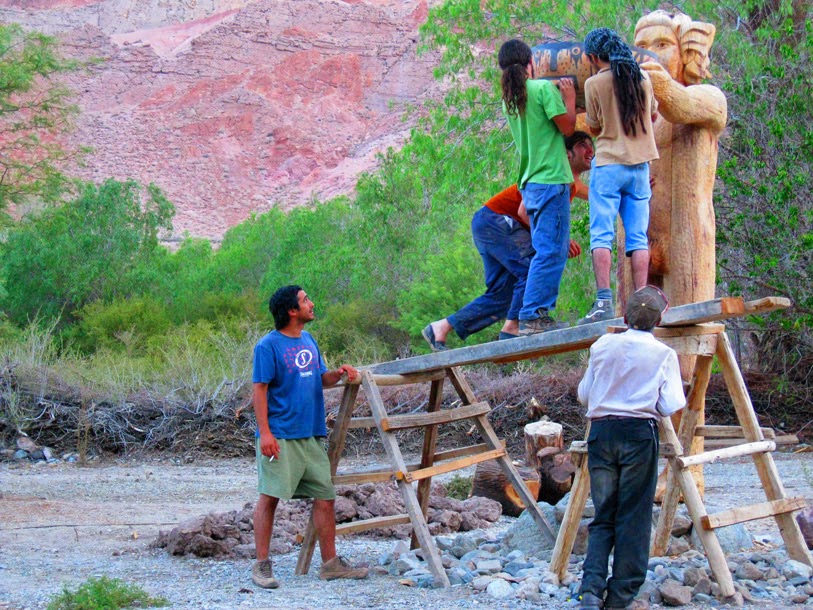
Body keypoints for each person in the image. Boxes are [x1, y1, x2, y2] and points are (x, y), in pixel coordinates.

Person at [422, 132, 594, 350]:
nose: (590, 150)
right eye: (582, 145)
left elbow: (597, 194)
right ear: (567, 153)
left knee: (504, 294)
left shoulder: (571, 184)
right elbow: (524, 212)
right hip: (496, 220)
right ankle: (513, 327)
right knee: (533, 268)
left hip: (490, 225)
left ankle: (441, 327)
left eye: (591, 146)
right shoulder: (552, 175)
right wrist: (558, 238)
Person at [251, 285, 368, 588]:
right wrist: (265, 433)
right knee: (269, 497)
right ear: (292, 310)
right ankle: (261, 565)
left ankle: (330, 564)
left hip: (311, 434)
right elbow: (259, 390)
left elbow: (319, 378)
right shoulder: (268, 346)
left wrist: (338, 375)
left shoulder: (309, 340)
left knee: (325, 498)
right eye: (305, 300)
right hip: (281, 435)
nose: (311, 304)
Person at [577, 285, 686, 610]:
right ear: (659, 320)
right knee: (634, 515)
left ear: (624, 317)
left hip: (602, 433)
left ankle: (590, 591)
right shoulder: (663, 354)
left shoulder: (602, 345)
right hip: (638, 434)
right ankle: (621, 595)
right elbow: (670, 405)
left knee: (603, 514)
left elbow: (585, 395)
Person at [578, 28, 659, 325]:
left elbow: (594, 127)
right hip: (640, 167)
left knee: (602, 233)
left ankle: (603, 301)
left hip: (610, 165)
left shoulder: (594, 84)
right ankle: (642, 302)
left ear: (593, 56)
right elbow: (652, 116)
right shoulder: (643, 78)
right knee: (638, 237)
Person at [498, 38, 576, 335]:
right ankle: (533, 314)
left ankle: (533, 314)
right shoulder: (543, 89)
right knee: (551, 251)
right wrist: (569, 98)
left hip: (530, 184)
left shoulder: (509, 101)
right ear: (531, 63)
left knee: (546, 249)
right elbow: (567, 128)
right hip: (551, 180)